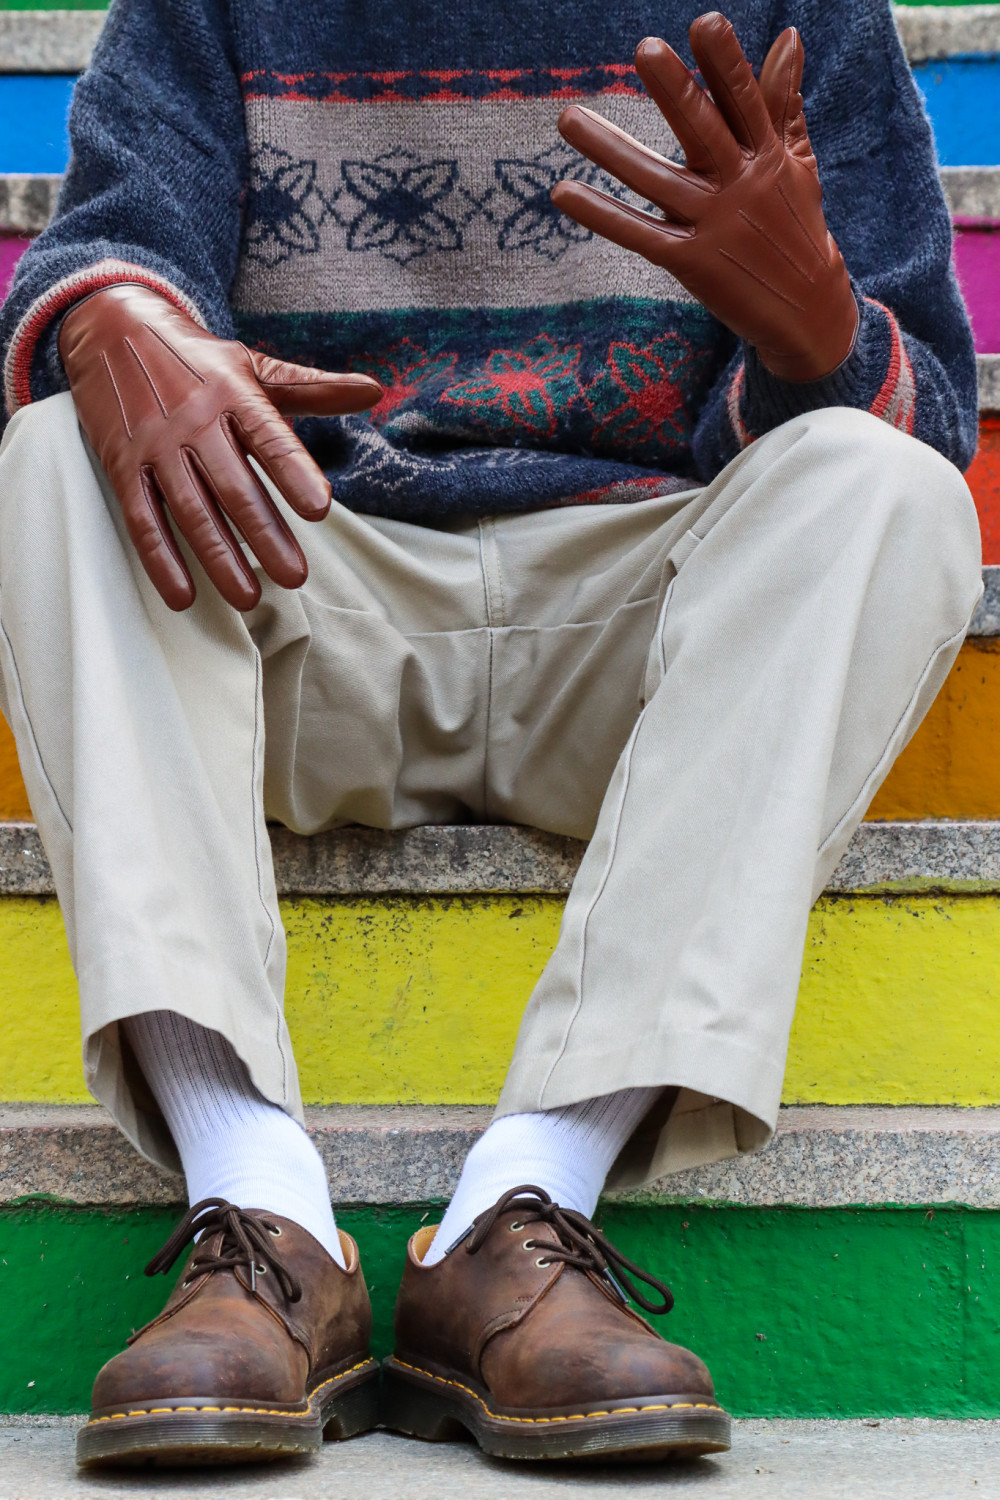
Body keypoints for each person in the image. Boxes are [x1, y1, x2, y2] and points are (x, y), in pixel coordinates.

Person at [0, 0, 981, 1469]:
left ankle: (529, 1207)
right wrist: (106, 318)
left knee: (891, 488)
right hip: (311, 590)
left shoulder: (803, 16)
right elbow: (113, 241)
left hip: (645, 630)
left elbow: (930, 406)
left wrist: (821, 334)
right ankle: (258, 1213)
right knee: (57, 439)